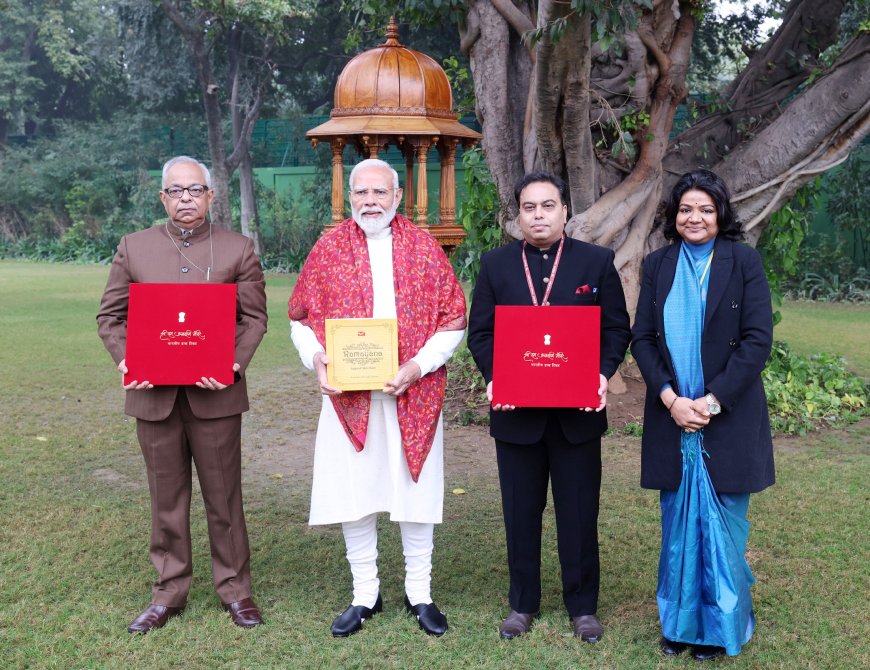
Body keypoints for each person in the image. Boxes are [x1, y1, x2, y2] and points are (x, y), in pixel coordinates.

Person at [288, 158, 467, 638]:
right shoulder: (328, 249)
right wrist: (319, 360)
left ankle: (420, 592)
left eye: (379, 193)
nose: (370, 202)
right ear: (350, 198)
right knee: (356, 490)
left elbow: (453, 319)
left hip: (414, 394)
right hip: (349, 397)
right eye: (361, 194)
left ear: (397, 197)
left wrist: (417, 366)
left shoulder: (425, 248)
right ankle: (365, 592)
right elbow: (300, 318)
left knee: (414, 491)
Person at [97, 156, 268, 633]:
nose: (186, 198)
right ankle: (169, 591)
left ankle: (236, 590)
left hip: (215, 395)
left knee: (224, 498)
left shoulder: (237, 249)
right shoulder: (134, 248)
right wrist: (128, 361)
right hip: (154, 398)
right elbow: (110, 318)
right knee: (165, 499)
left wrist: (231, 365)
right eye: (176, 191)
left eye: (195, 190)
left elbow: (253, 320)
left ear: (211, 196)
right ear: (163, 197)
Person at [467, 172, 631, 642]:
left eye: (547, 206)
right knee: (520, 513)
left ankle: (583, 607)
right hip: (516, 416)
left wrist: (600, 375)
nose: (537, 215)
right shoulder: (496, 264)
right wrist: (497, 378)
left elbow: (616, 329)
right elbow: (481, 333)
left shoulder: (596, 263)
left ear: (565, 211)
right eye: (528, 207)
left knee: (579, 513)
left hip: (576, 417)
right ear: (518, 214)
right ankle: (522, 604)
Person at [631, 169, 775, 661]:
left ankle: (718, 626)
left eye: (706, 209)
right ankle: (678, 623)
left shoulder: (744, 262)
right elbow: (643, 338)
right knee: (677, 529)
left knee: (725, 527)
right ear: (674, 216)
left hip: (726, 417)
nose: (695, 218)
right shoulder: (659, 264)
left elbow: (758, 340)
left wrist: (710, 403)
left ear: (721, 215)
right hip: (673, 416)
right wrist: (672, 400)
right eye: (686, 209)